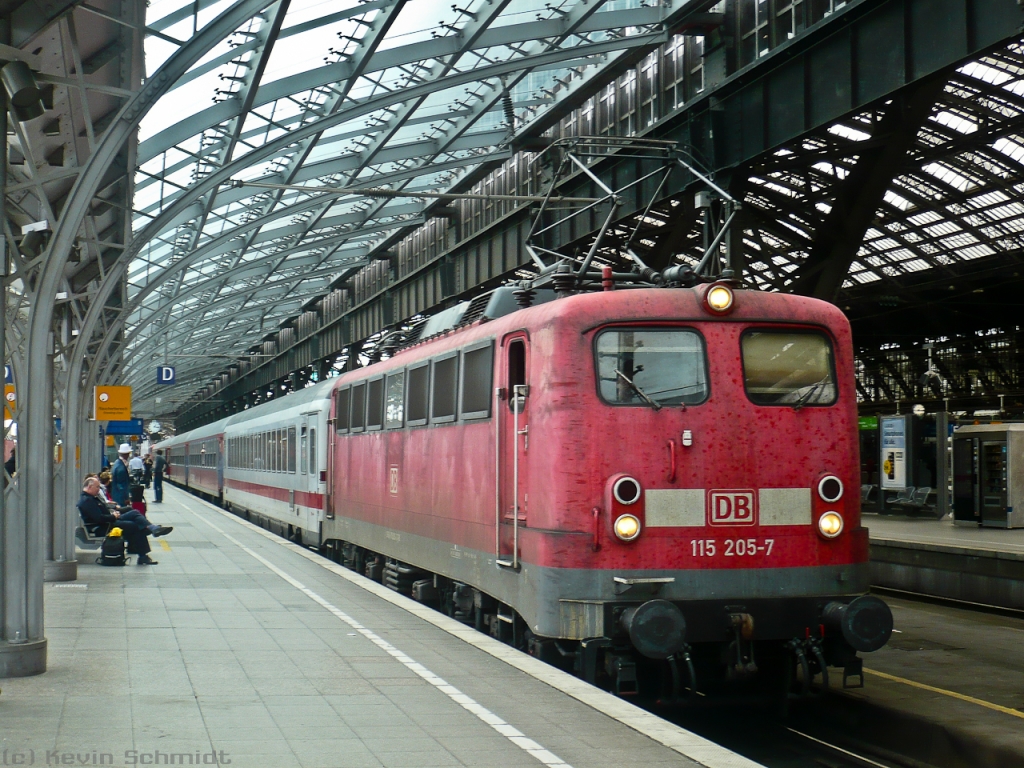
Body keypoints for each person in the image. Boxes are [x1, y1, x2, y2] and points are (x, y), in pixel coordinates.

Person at [77, 477, 172, 565]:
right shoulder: (87, 501)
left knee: (134, 513)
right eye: (97, 487)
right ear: (90, 487)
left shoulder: (90, 498)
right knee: (135, 526)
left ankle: (151, 529)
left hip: (109, 521)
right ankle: (148, 539)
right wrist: (113, 516)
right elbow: (98, 518)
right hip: (104, 526)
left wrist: (113, 514)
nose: (99, 489)